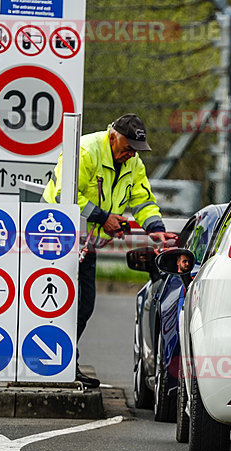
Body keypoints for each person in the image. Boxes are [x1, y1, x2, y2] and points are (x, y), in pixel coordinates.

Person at [43, 113, 177, 387]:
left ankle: (62, 362)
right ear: (113, 136)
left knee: (84, 305)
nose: (131, 155)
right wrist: (104, 217)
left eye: (136, 150)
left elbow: (142, 199)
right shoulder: (86, 151)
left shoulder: (133, 163)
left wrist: (155, 228)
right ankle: (58, 364)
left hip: (85, 244)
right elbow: (61, 195)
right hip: (53, 238)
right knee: (65, 304)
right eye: (128, 147)